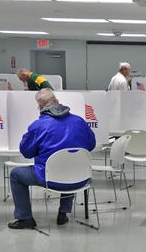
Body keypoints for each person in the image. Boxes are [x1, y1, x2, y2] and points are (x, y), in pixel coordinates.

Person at [8, 89, 96, 230]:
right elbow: (91, 145)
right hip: (79, 177)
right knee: (70, 167)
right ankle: (63, 214)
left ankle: (25, 218)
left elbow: (26, 152)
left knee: (16, 175)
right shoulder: (79, 121)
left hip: (49, 178)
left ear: (40, 107)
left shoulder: (38, 126)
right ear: (57, 101)